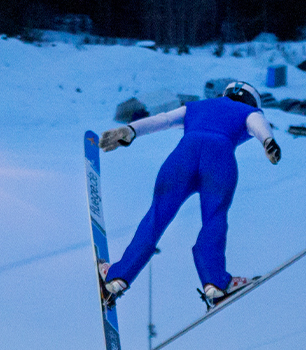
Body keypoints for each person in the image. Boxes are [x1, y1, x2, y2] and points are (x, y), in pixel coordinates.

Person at [99, 81, 281, 310]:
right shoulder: (248, 111)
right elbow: (256, 123)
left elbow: (163, 119)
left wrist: (129, 130)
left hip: (183, 157)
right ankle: (216, 283)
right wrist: (268, 141)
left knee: (156, 217)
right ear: (251, 101)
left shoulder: (197, 106)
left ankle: (117, 278)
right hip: (219, 160)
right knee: (214, 218)